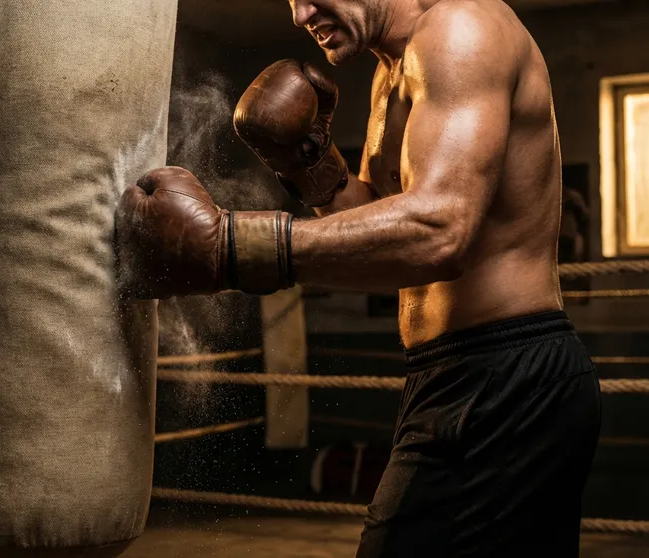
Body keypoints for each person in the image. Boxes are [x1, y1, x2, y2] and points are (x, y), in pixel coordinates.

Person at [114, 0, 601, 555]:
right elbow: (385, 232)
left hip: (507, 375)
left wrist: (229, 246)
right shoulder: (392, 70)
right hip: (455, 374)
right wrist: (309, 165)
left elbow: (440, 230)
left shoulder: (462, 29)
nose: (301, 14)